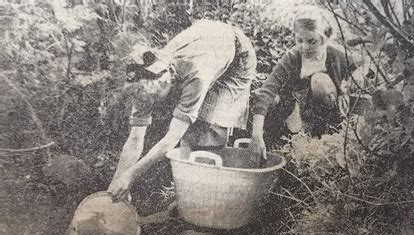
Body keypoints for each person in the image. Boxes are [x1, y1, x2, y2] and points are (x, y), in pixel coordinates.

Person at [108, 20, 256, 201]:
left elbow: (171, 139)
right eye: (144, 95)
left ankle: (209, 201)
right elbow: (135, 139)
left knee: (210, 130)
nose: (148, 100)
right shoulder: (142, 80)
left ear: (165, 77)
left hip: (235, 54)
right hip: (204, 42)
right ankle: (187, 199)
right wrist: (117, 184)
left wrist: (131, 176)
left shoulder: (196, 75)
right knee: (189, 136)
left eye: (153, 94)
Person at [249, 6, 361, 162]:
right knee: (272, 101)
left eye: (311, 41)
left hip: (328, 110)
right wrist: (256, 136)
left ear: (324, 37)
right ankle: (285, 141)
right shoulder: (292, 58)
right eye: (299, 40)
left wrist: (348, 86)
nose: (305, 47)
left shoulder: (337, 55)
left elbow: (363, 71)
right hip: (297, 110)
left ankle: (328, 135)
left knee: (319, 82)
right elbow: (267, 91)